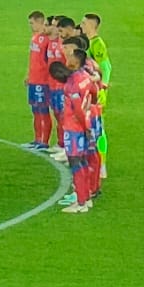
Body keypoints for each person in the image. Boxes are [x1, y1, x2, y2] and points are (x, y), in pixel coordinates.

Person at [51, 53, 100, 214]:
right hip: (83, 125)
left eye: (71, 57)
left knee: (76, 163)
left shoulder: (72, 84)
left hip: (74, 129)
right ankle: (86, 198)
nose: (67, 58)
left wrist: (84, 126)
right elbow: (94, 92)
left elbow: (77, 109)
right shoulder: (85, 76)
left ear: (75, 62)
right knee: (83, 162)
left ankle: (80, 203)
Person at [24, 10, 63, 150]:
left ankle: (44, 141)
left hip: (43, 81)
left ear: (40, 22)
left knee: (42, 110)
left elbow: (49, 61)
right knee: (35, 110)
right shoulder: (35, 37)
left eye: (32, 23)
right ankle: (37, 139)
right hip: (34, 80)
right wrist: (29, 75)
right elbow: (33, 59)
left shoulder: (47, 40)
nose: (31, 26)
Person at [84, 11, 112, 180]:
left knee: (99, 129)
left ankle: (102, 165)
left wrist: (104, 85)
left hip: (98, 93)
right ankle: (94, 162)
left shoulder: (97, 44)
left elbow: (106, 66)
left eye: (84, 23)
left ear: (92, 26)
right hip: (92, 90)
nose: (82, 25)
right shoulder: (90, 42)